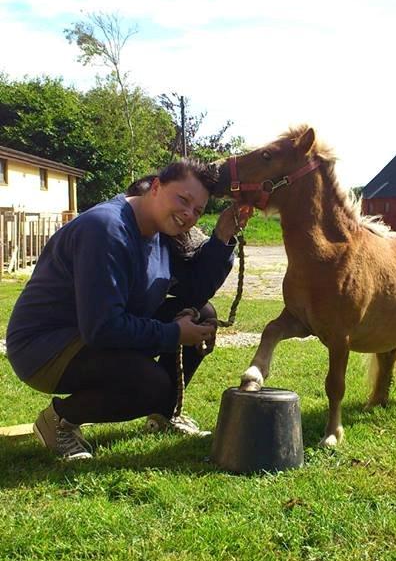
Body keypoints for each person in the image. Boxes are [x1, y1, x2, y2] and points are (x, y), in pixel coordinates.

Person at [6, 159, 250, 461]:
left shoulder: (158, 230)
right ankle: (59, 420)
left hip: (92, 332)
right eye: (183, 200)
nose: (189, 214)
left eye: (197, 210)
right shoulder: (106, 229)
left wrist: (222, 237)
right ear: (157, 186)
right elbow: (103, 327)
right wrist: (173, 333)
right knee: (151, 385)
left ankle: (163, 415)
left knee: (204, 312)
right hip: (46, 350)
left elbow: (193, 292)